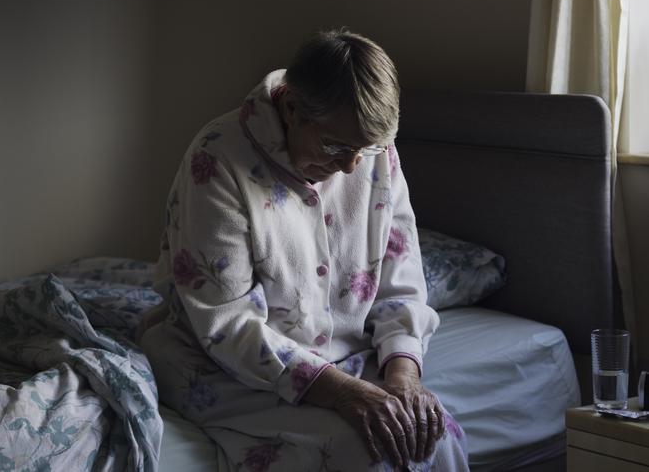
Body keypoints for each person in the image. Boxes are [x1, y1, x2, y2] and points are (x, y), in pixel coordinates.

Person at [139, 29, 469, 471]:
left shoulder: (374, 153)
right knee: (364, 454)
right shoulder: (218, 160)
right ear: (291, 108)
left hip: (345, 359)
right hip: (224, 365)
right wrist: (339, 391)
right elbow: (227, 323)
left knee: (434, 436)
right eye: (336, 146)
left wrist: (403, 376)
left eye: (366, 149)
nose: (352, 166)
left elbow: (400, 284)